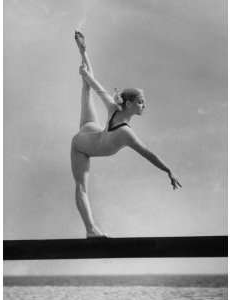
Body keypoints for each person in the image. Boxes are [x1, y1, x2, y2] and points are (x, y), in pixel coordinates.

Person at [72, 31, 181, 238]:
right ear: (129, 103)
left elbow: (94, 83)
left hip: (92, 129)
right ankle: (90, 230)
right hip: (82, 143)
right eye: (141, 102)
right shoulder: (125, 133)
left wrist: (83, 53)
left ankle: (82, 49)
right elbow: (148, 153)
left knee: (86, 85)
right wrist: (168, 170)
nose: (144, 105)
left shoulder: (114, 109)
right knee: (81, 185)